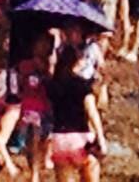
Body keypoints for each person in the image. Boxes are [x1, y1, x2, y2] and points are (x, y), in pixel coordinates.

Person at [46, 35, 108, 181]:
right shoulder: (81, 86)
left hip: (59, 139)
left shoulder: (54, 86)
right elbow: (91, 112)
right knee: (90, 172)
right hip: (80, 138)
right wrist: (101, 138)